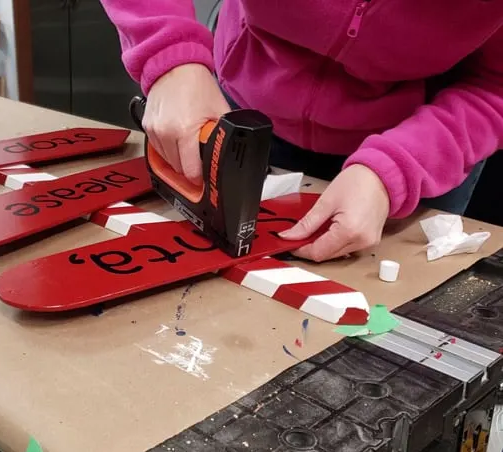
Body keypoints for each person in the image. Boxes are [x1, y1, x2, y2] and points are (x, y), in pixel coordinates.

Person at [99, 0, 503, 262]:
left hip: (427, 140)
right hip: (241, 104)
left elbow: (496, 86)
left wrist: (396, 170)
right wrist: (168, 57)